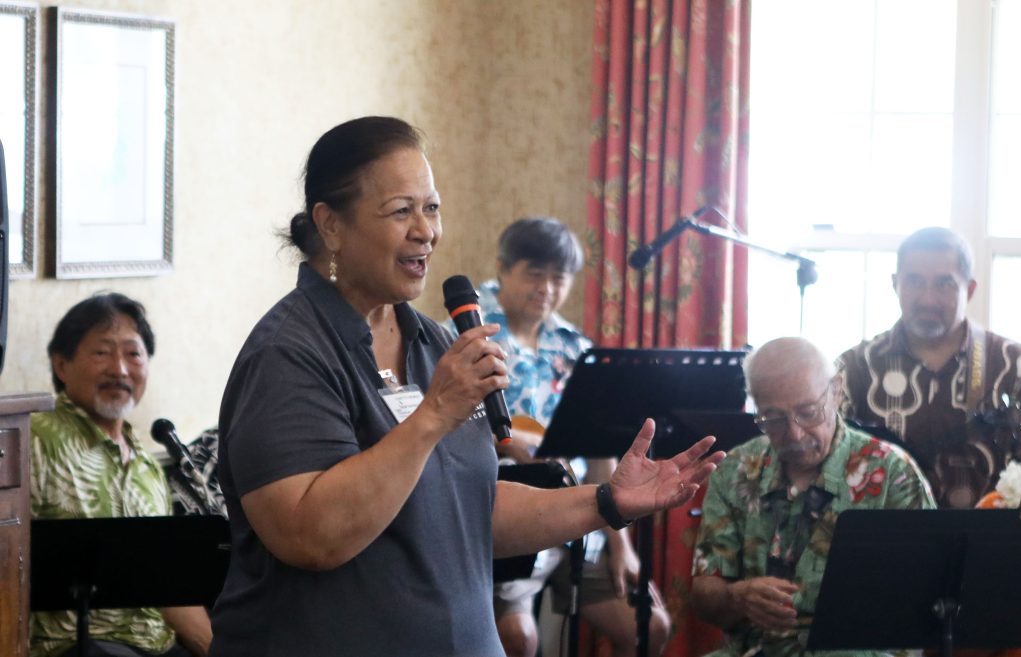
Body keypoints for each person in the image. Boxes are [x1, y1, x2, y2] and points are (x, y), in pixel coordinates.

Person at [208, 116, 725, 657]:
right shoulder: (288, 355)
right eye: (401, 211)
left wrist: (607, 502)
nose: (426, 231)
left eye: (431, 208)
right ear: (330, 224)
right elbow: (311, 537)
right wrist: (434, 415)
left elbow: (472, 508)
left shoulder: (432, 342)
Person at [442, 217, 670, 657]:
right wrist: (503, 442)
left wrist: (620, 542)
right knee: (518, 639)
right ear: (503, 268)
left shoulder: (574, 347)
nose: (546, 288)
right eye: (534, 274)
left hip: (581, 512)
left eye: (559, 278)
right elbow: (443, 427)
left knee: (649, 627)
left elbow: (600, 449)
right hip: (504, 512)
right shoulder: (462, 333)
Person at [691, 336, 935, 657]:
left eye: (808, 412)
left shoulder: (893, 474)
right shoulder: (735, 470)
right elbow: (704, 594)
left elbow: (931, 599)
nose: (795, 434)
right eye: (774, 419)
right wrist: (738, 597)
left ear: (836, 391)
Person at [30, 293, 213, 657]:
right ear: (62, 365)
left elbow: (169, 588)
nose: (120, 369)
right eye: (101, 353)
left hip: (156, 645)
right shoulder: (36, 438)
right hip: (77, 645)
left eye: (133, 354)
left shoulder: (147, 466)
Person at [837, 227, 1021, 508]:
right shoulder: (854, 369)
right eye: (914, 281)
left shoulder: (1013, 366)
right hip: (884, 532)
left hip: (992, 533)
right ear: (895, 284)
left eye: (944, 284)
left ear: (970, 289)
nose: (928, 299)